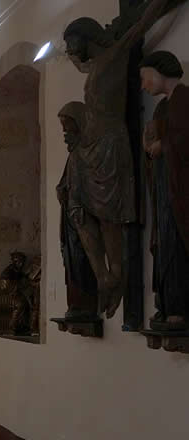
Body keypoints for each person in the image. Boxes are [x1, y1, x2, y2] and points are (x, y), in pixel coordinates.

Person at [61, 0, 176, 317]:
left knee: (109, 215)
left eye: (72, 41)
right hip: (90, 145)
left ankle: (117, 275)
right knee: (78, 211)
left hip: (111, 143)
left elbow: (140, 24)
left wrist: (157, 5)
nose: (70, 50)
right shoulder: (95, 66)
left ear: (85, 37)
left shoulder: (115, 53)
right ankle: (104, 276)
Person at [140, 50, 189, 330]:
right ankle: (167, 302)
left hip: (180, 190)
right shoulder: (161, 109)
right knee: (163, 245)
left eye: (146, 77)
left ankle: (180, 307)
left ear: (160, 71)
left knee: (177, 244)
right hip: (163, 188)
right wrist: (151, 148)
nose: (144, 84)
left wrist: (165, 146)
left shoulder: (185, 98)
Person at [57, 102, 100, 319]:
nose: (65, 134)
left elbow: (95, 184)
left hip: (84, 217)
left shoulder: (88, 153)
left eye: (68, 129)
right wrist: (61, 191)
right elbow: (63, 182)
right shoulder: (73, 155)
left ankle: (87, 302)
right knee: (71, 260)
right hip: (71, 217)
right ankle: (75, 303)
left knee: (83, 259)